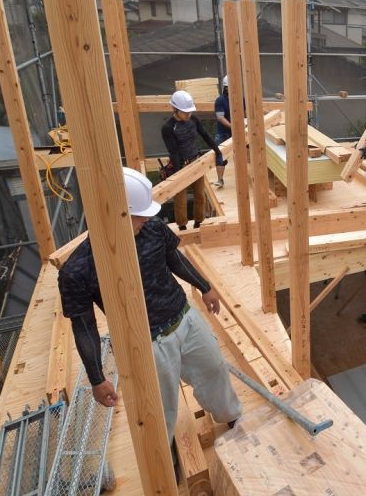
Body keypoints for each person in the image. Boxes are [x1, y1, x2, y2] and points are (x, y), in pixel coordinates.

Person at [58, 167, 242, 443]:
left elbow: (174, 259)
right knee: (159, 409)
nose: (146, 218)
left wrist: (204, 287)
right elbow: (84, 327)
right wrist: (97, 378)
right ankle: (165, 461)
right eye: (138, 214)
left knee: (215, 370)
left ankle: (233, 420)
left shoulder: (151, 228)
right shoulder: (79, 269)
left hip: (184, 317)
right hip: (147, 344)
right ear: (114, 212)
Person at [161, 90, 226, 230]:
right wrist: (179, 174)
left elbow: (205, 135)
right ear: (175, 109)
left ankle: (198, 223)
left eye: (189, 112)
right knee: (181, 199)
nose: (188, 115)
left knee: (199, 195)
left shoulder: (193, 120)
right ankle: (182, 226)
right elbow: (174, 151)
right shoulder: (167, 127)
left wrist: (217, 151)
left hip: (196, 162)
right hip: (180, 164)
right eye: (185, 112)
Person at [212, 77, 233, 188]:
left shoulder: (241, 98)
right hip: (223, 133)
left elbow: (245, 112)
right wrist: (233, 127)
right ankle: (220, 180)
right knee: (220, 154)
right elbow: (220, 117)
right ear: (226, 88)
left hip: (237, 132)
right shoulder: (221, 100)